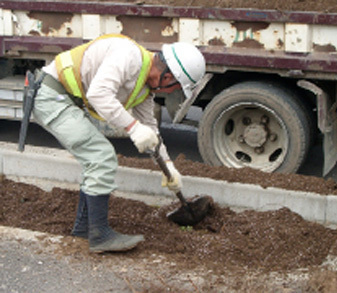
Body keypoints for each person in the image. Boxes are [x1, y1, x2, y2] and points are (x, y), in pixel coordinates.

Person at [31, 34, 206, 253]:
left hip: (66, 99)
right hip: (51, 96)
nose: (173, 92)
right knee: (100, 156)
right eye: (177, 87)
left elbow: (150, 130)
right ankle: (99, 235)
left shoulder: (145, 89)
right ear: (167, 75)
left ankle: (84, 229)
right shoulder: (128, 56)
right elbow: (98, 94)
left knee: (95, 160)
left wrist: (168, 165)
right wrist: (132, 128)